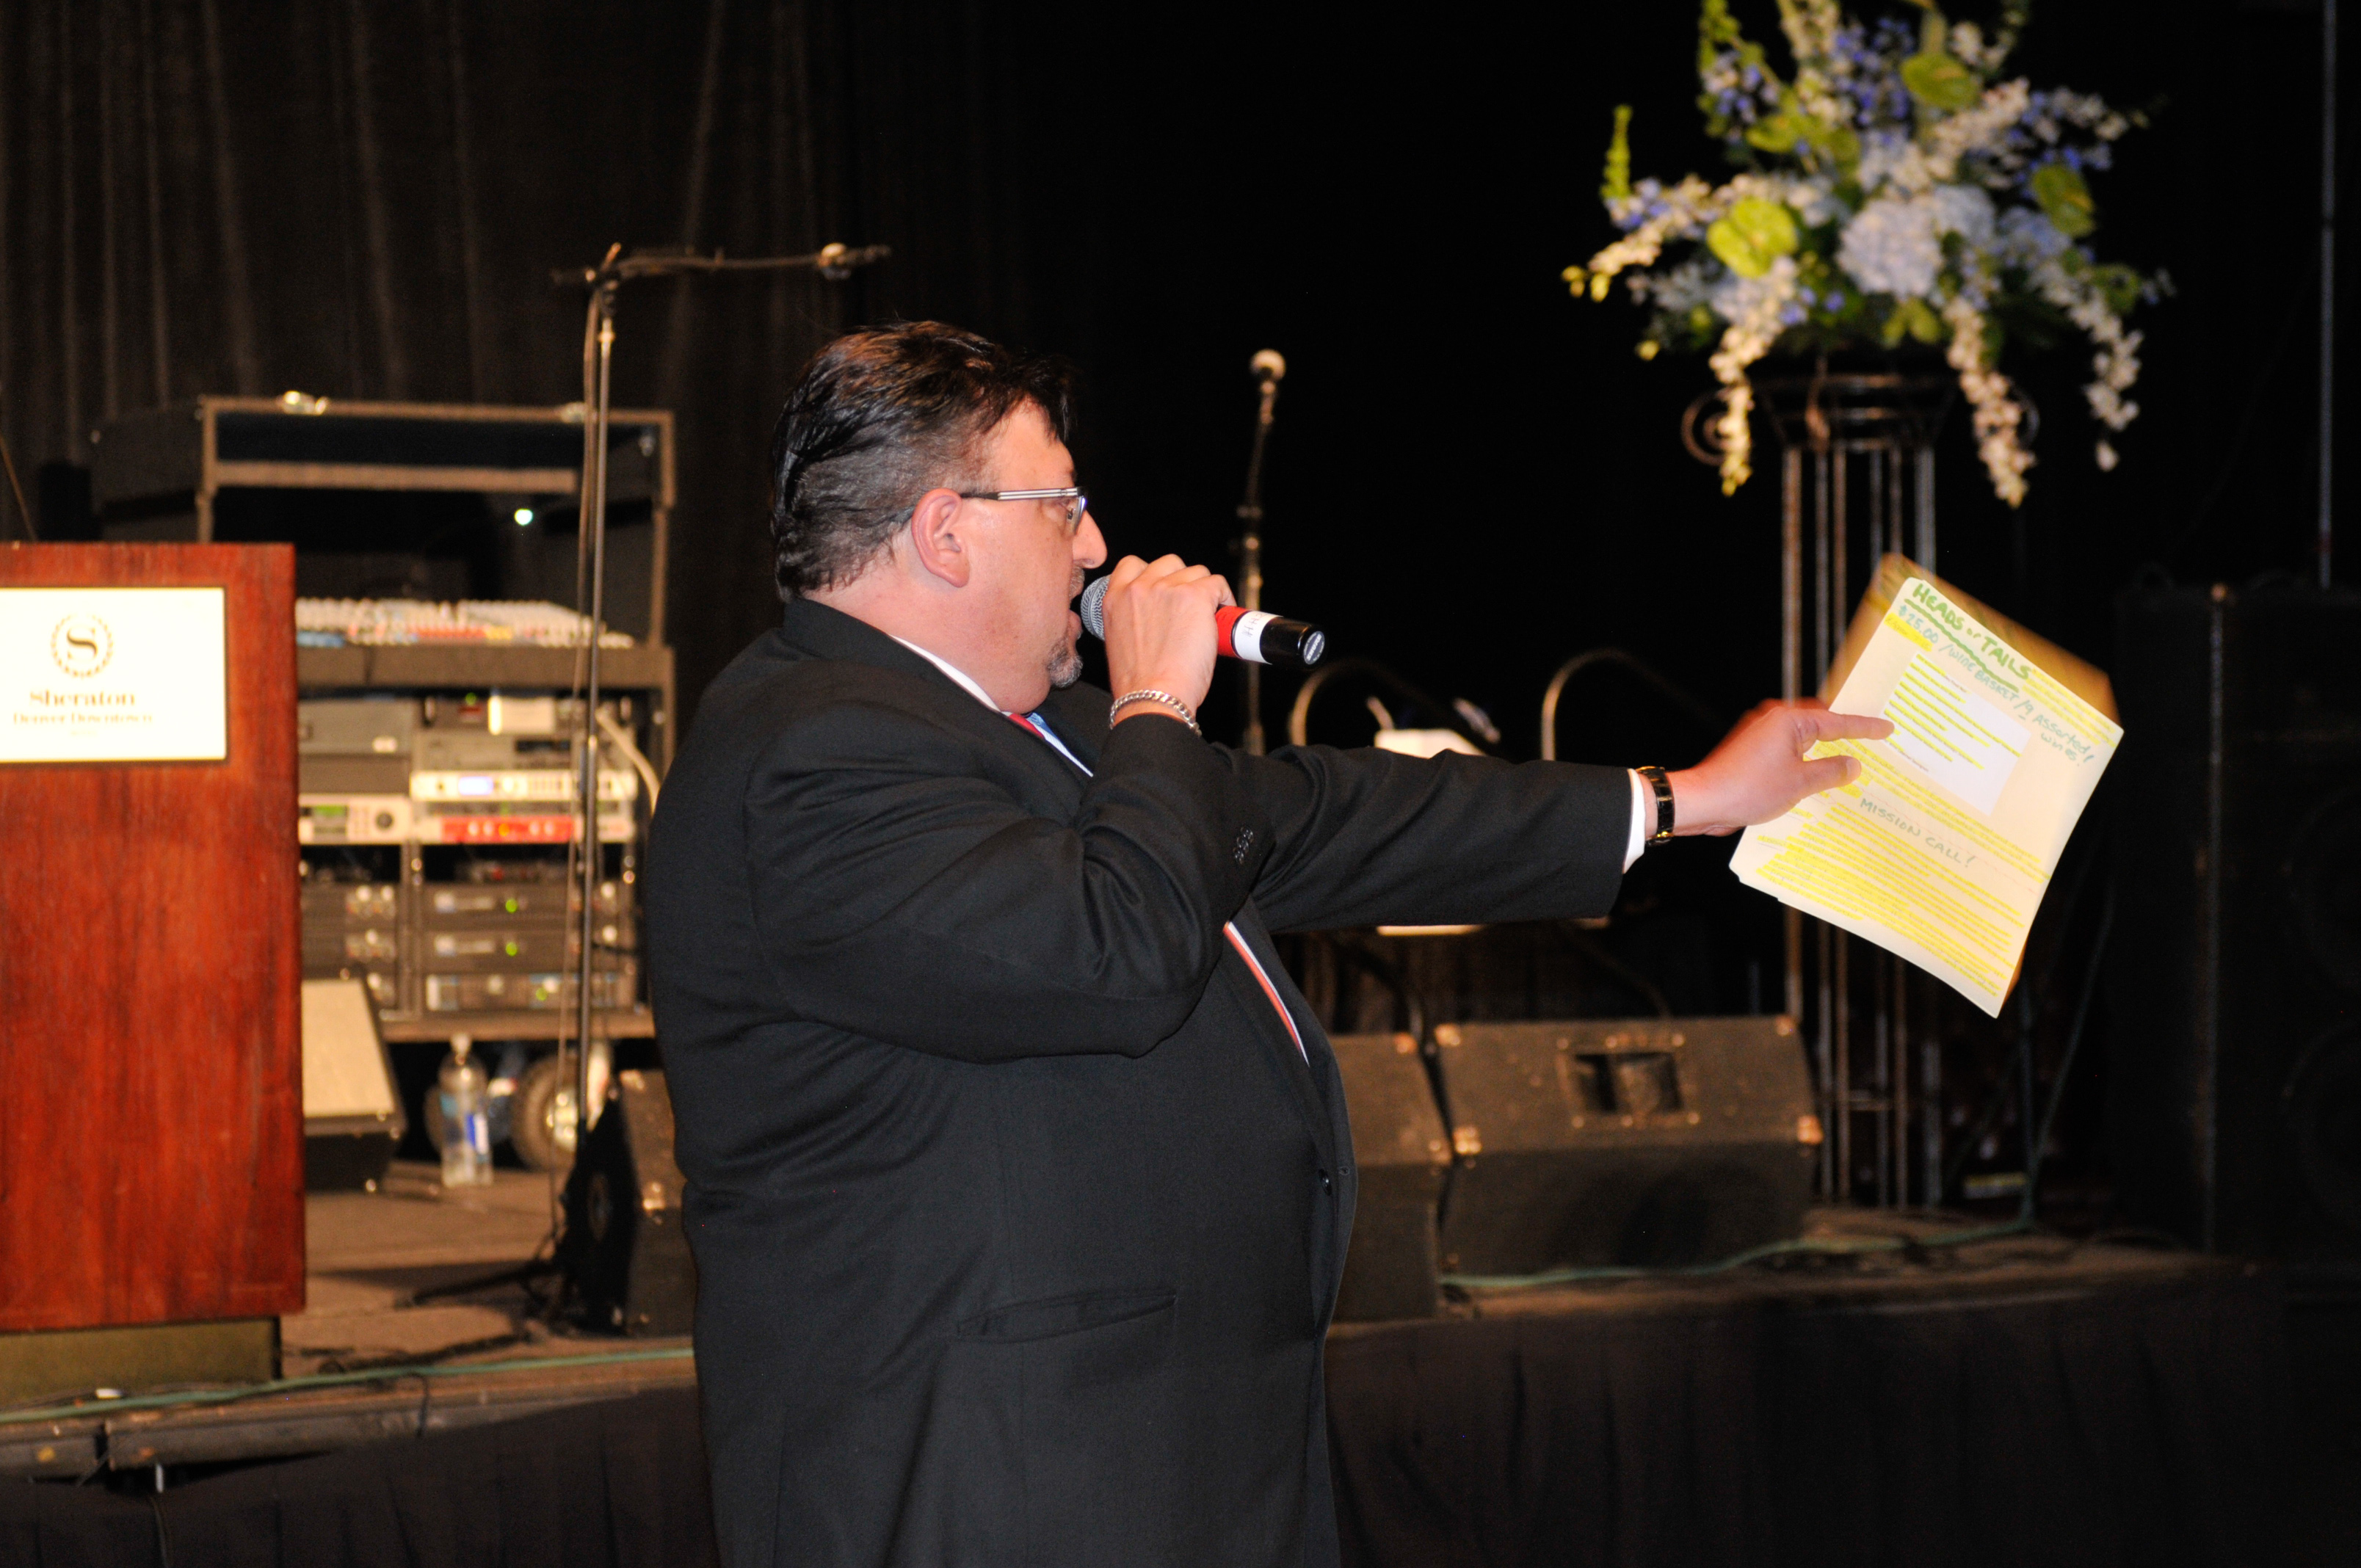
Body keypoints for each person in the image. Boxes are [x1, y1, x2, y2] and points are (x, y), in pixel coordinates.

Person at [645, 321, 1890, 1568]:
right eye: (1063, 505)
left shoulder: (1032, 726)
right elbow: (1109, 954)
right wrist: (1155, 703)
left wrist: (1687, 798)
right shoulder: (805, 756)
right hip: (994, 1485)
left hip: (1151, 1453)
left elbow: (1335, 816)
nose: (1095, 544)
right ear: (945, 532)